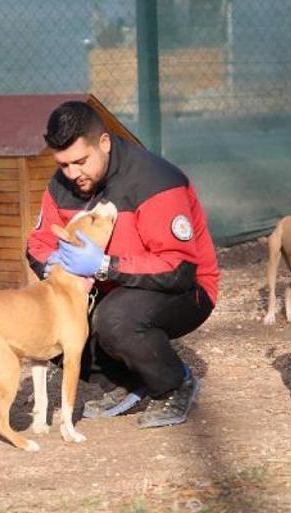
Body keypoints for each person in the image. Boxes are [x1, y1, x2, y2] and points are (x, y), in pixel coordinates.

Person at [26, 101, 219, 429]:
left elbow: (178, 269)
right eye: (63, 164)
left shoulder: (154, 181)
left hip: (187, 290)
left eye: (80, 162)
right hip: (110, 286)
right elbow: (38, 243)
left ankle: (175, 384)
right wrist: (51, 265)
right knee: (47, 319)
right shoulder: (62, 184)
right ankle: (130, 382)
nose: (72, 174)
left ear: (104, 143)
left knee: (115, 319)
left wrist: (103, 265)